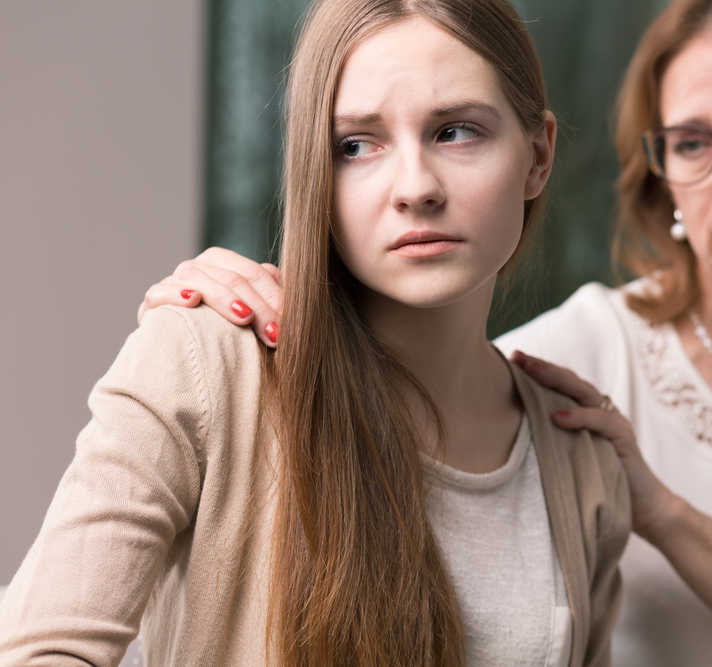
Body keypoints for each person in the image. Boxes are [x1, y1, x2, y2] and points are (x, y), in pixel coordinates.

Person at [142, 0, 712, 665]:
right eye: (691, 142)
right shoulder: (591, 344)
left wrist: (661, 511)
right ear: (665, 180)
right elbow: (409, 401)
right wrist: (233, 316)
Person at [0, 1, 633, 666]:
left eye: (456, 132)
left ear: (538, 155)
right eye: (356, 145)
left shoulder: (581, 464)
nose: (415, 187)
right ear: (315, 176)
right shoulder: (204, 362)